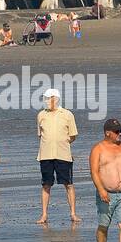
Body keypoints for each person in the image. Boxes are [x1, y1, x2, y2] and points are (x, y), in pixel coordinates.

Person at [36, 88, 79, 224]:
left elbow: (73, 135)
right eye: (46, 98)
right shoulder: (41, 115)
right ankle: (44, 215)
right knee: (46, 184)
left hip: (63, 155)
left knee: (68, 184)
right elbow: (40, 135)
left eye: (49, 98)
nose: (47, 101)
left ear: (56, 99)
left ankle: (73, 213)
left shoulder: (67, 114)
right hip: (45, 155)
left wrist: (62, 143)